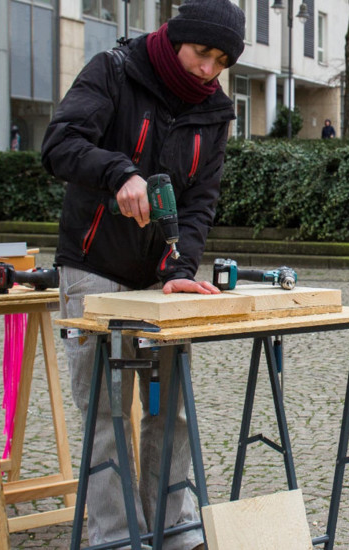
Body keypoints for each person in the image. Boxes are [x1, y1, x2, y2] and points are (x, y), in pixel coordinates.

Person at [40, 0, 245, 548]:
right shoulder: (112, 70)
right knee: (105, 415)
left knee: (164, 405)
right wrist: (119, 171)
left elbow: (200, 201)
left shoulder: (214, 111)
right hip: (93, 270)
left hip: (159, 284)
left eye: (220, 61)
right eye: (202, 53)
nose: (208, 69)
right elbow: (59, 145)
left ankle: (171, 529)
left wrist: (181, 269)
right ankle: (116, 536)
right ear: (176, 37)